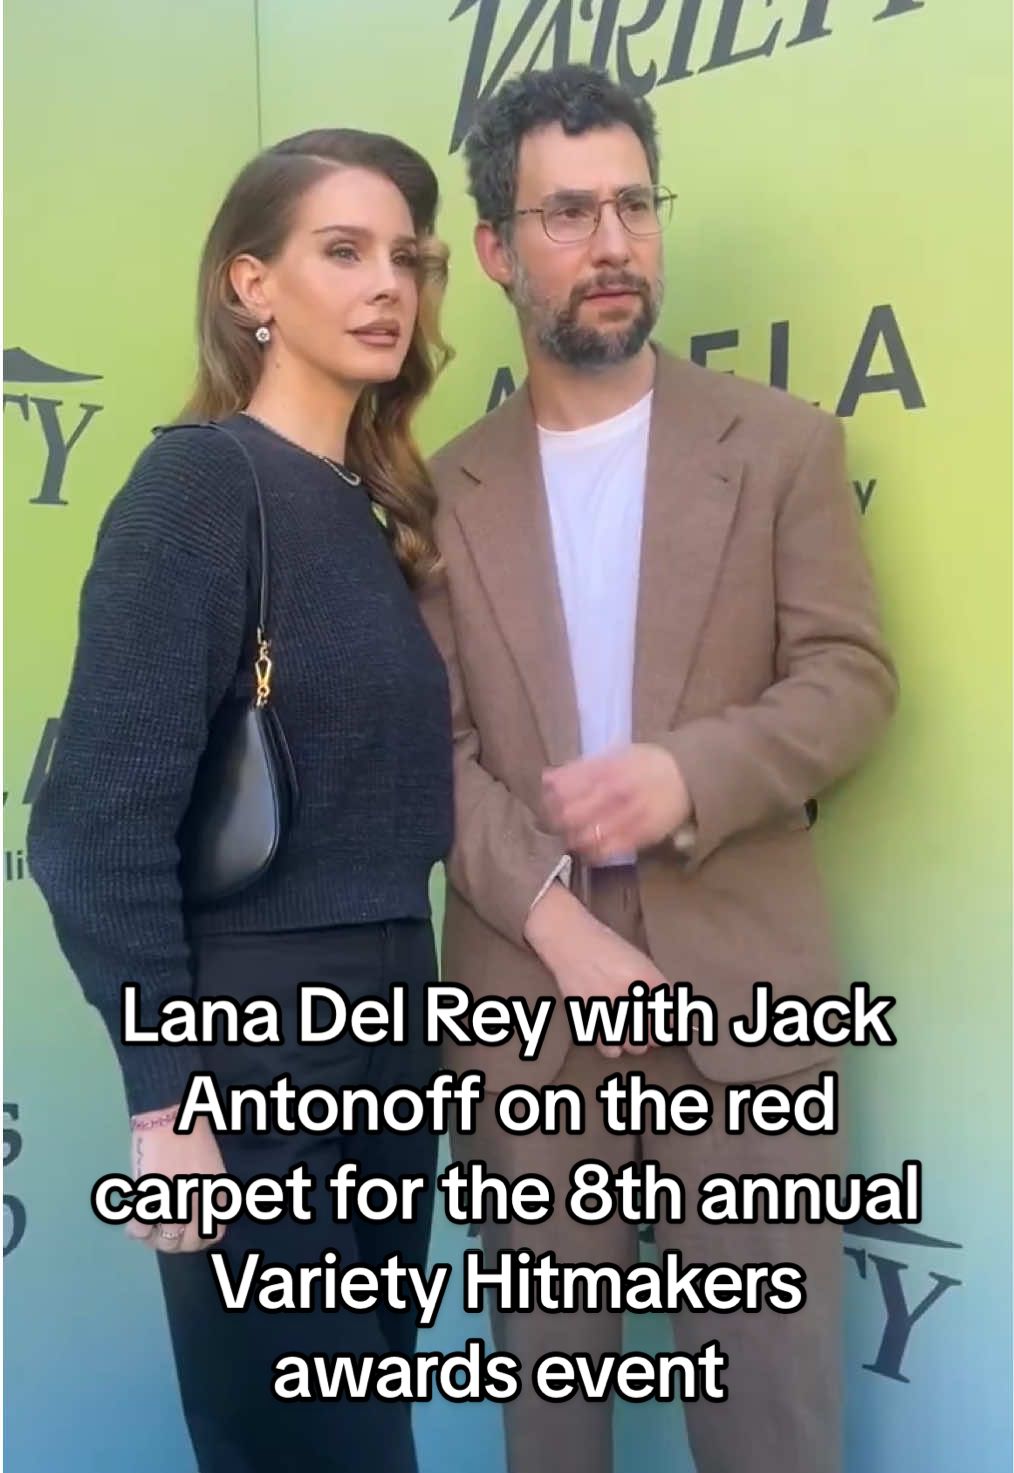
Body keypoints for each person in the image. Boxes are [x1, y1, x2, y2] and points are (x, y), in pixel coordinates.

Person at [419, 64, 898, 1473]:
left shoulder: (782, 449)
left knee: (771, 1414)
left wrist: (692, 772)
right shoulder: (435, 492)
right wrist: (557, 922)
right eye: (567, 213)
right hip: (527, 1002)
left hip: (742, 1004)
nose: (613, 242)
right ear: (500, 251)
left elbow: (849, 677)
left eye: (632, 202)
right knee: (550, 1427)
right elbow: (425, 755)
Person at [28, 127, 454, 1473]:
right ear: (249, 285)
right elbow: (94, 829)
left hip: (391, 1030)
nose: (387, 283)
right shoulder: (199, 488)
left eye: (406, 256)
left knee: (360, 1423)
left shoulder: (369, 505)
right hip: (253, 1050)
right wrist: (167, 1101)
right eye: (343, 251)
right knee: (304, 1448)